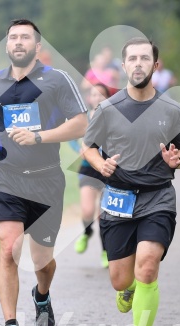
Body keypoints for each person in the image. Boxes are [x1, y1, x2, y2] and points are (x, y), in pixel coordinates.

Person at [0, 19, 88, 326]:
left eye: (26, 37)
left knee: (43, 261)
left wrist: (40, 136)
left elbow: (80, 123)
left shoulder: (56, 80)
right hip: (7, 178)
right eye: (13, 37)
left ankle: (42, 295)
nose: (19, 42)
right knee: (9, 249)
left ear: (37, 47)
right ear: (7, 45)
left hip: (46, 178)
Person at [83, 37, 180, 326]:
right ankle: (126, 288)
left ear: (155, 66)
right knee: (120, 278)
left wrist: (178, 161)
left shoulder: (172, 110)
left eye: (146, 58)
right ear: (124, 65)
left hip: (158, 197)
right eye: (133, 58)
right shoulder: (108, 109)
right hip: (117, 200)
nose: (139, 63)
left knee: (147, 264)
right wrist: (100, 164)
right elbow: (88, 146)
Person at [69, 83, 111, 268]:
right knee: (87, 211)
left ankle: (105, 251)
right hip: (88, 168)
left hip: (108, 170)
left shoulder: (114, 117)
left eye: (102, 95)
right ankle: (87, 232)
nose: (98, 98)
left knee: (104, 214)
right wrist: (78, 148)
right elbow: (71, 135)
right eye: (94, 94)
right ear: (89, 98)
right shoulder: (83, 118)